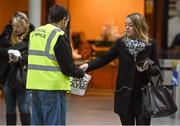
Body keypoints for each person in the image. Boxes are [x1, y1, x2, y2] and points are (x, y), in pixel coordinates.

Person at [80, 13, 160, 125]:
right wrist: (88, 65)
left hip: (143, 96)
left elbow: (157, 70)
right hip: (124, 95)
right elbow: (105, 58)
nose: (127, 27)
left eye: (130, 25)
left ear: (139, 26)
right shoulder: (120, 43)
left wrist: (149, 68)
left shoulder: (151, 44)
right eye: (125, 25)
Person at [26, 4, 85, 125]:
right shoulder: (59, 36)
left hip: (35, 86)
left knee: (37, 122)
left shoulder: (35, 33)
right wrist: (81, 72)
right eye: (67, 21)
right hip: (52, 88)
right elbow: (68, 68)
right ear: (64, 19)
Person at [0, 11, 35, 125]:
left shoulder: (32, 37)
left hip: (24, 77)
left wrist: (20, 58)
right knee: (9, 108)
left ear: (24, 26)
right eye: (14, 26)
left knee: (24, 107)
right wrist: (8, 51)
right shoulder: (7, 34)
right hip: (8, 77)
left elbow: (33, 55)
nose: (15, 29)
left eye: (18, 26)